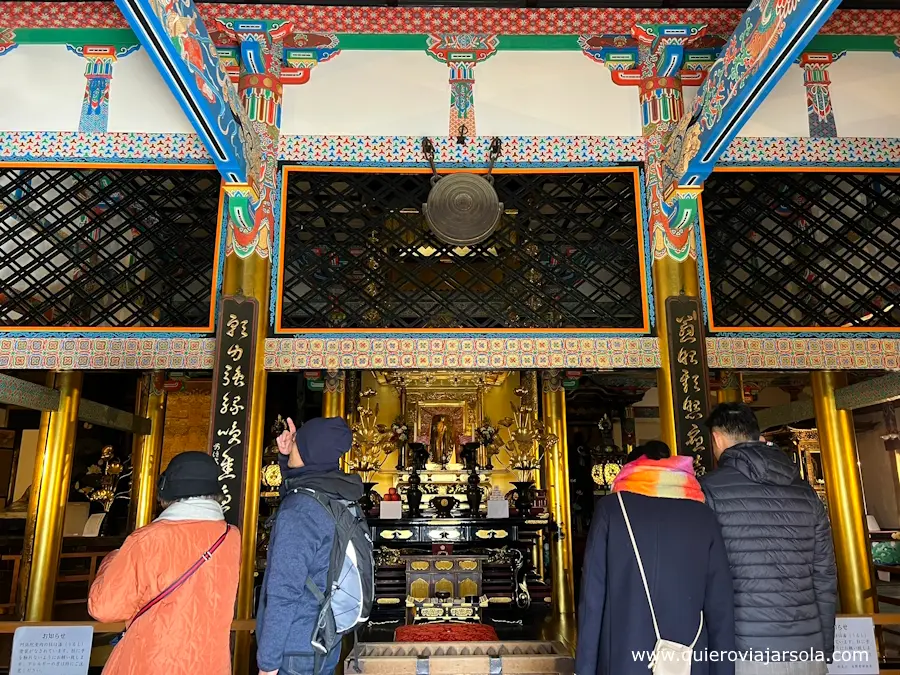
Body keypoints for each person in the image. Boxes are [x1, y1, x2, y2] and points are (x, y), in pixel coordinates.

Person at [575, 440, 735, 675]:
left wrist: (584, 669)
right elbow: (720, 606)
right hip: (689, 661)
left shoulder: (611, 509)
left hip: (622, 659)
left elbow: (592, 599)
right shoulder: (703, 515)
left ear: (630, 469)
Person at [702, 403, 837, 675]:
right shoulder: (806, 493)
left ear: (717, 438)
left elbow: (699, 575)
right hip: (807, 649)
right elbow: (825, 576)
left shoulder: (709, 491)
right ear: (756, 435)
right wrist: (823, 647)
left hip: (745, 650)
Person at [88, 451, 240, 675]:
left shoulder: (147, 539)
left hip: (153, 662)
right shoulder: (231, 536)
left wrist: (113, 559)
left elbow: (104, 607)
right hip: (211, 664)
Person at [257, 416, 366, 675]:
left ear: (307, 454)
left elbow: (284, 591)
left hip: (295, 646)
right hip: (325, 635)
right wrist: (286, 460)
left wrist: (268, 663)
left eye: (297, 444)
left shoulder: (299, 511)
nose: (290, 444)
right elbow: (300, 493)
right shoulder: (336, 495)